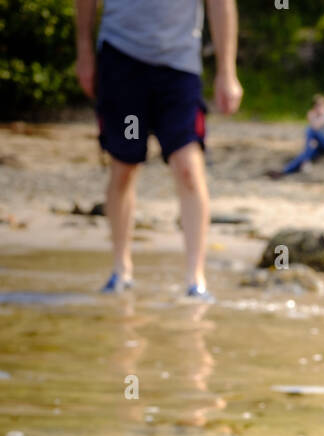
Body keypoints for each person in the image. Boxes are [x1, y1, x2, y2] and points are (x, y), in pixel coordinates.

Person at [74, 0, 243, 299]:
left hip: (179, 66)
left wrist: (226, 71)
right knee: (124, 168)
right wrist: (84, 51)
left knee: (188, 168)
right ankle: (121, 270)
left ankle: (195, 279)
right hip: (122, 59)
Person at [269, 95, 324, 177]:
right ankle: (284, 172)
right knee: (305, 154)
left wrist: (311, 117)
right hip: (321, 146)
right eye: (316, 106)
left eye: (320, 106)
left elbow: (315, 126)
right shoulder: (319, 116)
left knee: (309, 130)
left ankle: (305, 162)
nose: (318, 109)